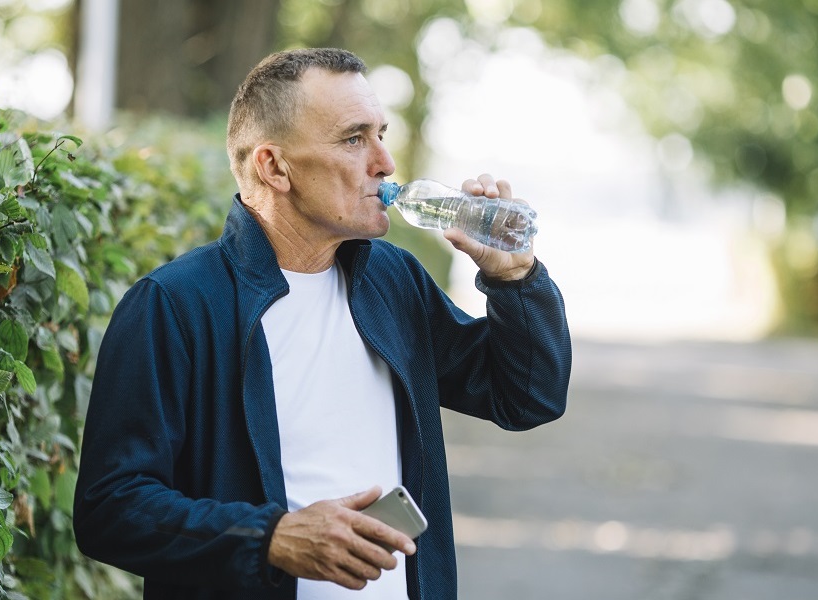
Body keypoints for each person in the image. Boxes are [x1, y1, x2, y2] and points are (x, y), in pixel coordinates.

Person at [73, 48, 572, 600]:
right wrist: (271, 539)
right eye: (354, 139)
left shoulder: (393, 281)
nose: (385, 162)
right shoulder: (174, 304)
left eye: (382, 133)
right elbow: (110, 508)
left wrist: (515, 279)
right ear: (274, 166)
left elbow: (526, 397)